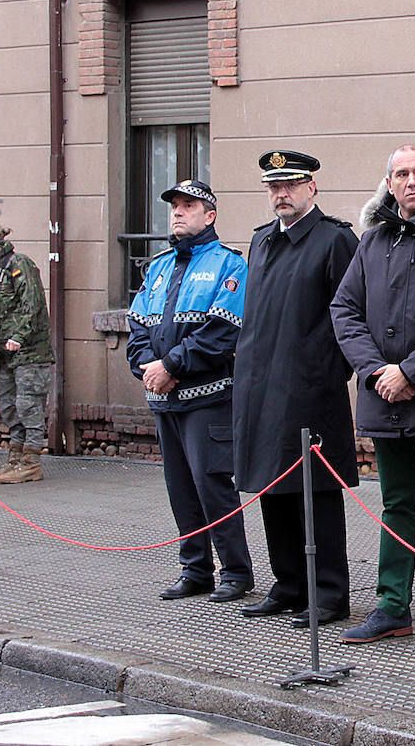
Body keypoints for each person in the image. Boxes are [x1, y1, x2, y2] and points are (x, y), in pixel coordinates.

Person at [331, 145, 415, 655]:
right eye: (401, 173)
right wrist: (376, 372)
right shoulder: (372, 241)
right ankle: (392, 607)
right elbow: (344, 310)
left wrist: (410, 371)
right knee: (395, 503)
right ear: (388, 183)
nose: (411, 181)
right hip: (383, 396)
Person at [234, 150, 360, 628]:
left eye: (290, 185)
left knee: (316, 492)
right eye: (273, 187)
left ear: (312, 188)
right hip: (262, 388)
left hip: (310, 391)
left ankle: (329, 593)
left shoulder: (334, 240)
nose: (280, 195)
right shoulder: (262, 241)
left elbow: (348, 315)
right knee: (272, 485)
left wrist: (328, 374)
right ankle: (287, 584)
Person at [126, 180, 254, 603]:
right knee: (180, 488)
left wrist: (169, 366)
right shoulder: (159, 266)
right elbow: (138, 329)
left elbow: (222, 333)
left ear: (210, 215)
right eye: (175, 206)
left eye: (189, 206)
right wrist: (148, 367)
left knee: (212, 485)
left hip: (209, 399)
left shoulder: (229, 264)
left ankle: (235, 572)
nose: (179, 212)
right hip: (164, 399)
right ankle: (195, 570)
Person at [0, 223, 54, 485]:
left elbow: (33, 303)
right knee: (10, 406)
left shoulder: (20, 265)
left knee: (29, 405)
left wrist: (19, 336)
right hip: (7, 353)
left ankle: (31, 462)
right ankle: (15, 458)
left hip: (29, 352)